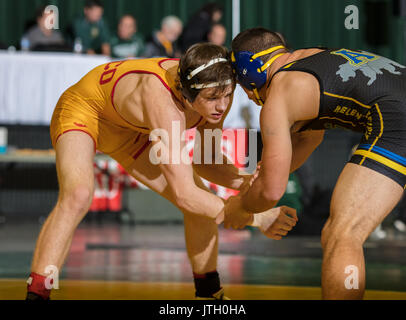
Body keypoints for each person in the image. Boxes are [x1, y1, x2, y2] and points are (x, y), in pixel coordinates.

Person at [25, 42, 298, 300]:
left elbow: (207, 161)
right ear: (188, 96)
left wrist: (247, 183)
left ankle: (208, 294)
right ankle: (37, 293)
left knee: (202, 203)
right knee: (78, 195)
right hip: (85, 111)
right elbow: (183, 194)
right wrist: (255, 217)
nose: (222, 105)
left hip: (131, 130)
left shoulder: (213, 88)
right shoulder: (164, 105)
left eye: (227, 95)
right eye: (213, 98)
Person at [228, 27, 406, 300]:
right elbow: (307, 141)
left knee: (343, 234)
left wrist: (242, 207)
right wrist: (266, 175)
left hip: (397, 122)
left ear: (247, 69)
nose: (249, 96)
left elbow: (272, 192)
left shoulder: (279, 93)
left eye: (242, 86)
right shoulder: (319, 58)